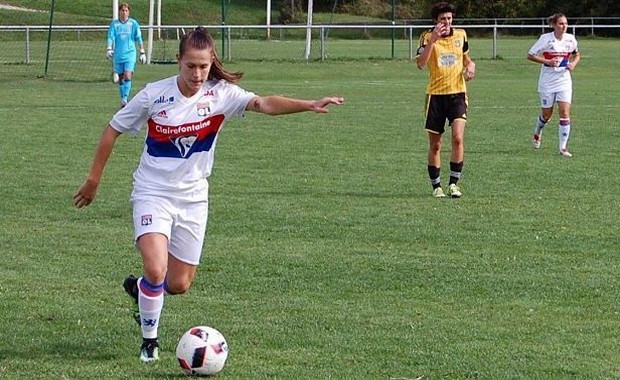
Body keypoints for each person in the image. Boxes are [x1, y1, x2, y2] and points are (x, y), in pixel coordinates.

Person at [74, 27, 343, 363]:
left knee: (179, 283)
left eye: (204, 66)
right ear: (178, 62)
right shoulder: (154, 95)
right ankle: (149, 343)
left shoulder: (221, 95)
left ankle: (140, 290)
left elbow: (263, 103)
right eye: (191, 66)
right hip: (152, 192)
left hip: (193, 198)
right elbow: (112, 129)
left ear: (211, 62)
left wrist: (308, 104)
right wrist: (93, 180)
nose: (198, 74)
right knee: (156, 269)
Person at [415, 2, 475, 199]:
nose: (447, 22)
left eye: (449, 18)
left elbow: (467, 60)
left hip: (457, 94)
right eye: (443, 19)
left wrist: (471, 65)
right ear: (436, 21)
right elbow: (421, 64)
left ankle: (453, 184)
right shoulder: (426, 37)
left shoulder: (461, 35)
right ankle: (436, 186)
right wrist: (433, 40)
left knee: (458, 138)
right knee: (436, 145)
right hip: (435, 96)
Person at [527, 13, 580, 157]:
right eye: (561, 24)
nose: (564, 26)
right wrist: (547, 62)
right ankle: (538, 131)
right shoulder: (545, 39)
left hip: (564, 80)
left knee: (564, 113)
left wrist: (573, 64)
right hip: (547, 82)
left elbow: (577, 54)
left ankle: (563, 148)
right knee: (546, 115)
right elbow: (530, 55)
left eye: (566, 24)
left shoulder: (570, 39)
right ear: (554, 25)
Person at [106, 2, 146, 108]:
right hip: (118, 55)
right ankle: (123, 98)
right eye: (122, 10)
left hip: (130, 54)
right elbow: (111, 37)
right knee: (120, 78)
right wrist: (109, 48)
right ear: (119, 12)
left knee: (127, 76)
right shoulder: (115, 24)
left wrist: (142, 52)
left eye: (126, 10)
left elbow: (139, 38)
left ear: (129, 12)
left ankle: (125, 99)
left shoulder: (133, 24)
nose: (124, 12)